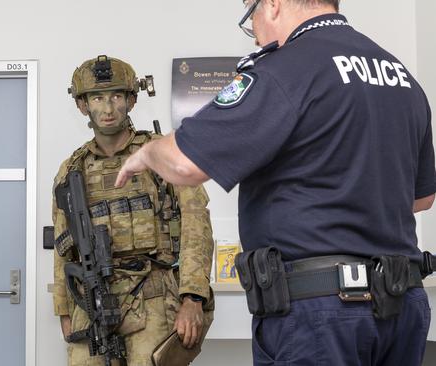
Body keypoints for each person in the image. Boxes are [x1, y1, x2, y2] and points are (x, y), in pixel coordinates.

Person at [116, 0, 434, 365]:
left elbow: (184, 164)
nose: (255, 37)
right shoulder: (401, 77)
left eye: (251, 18)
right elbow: (422, 198)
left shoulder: (286, 68)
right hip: (402, 303)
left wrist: (147, 152)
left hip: (321, 313)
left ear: (273, 4)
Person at [52, 55, 214, 366]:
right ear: (82, 106)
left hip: (153, 297)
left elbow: (197, 225)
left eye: (116, 96)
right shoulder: (71, 170)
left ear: (131, 100)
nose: (108, 108)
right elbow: (63, 246)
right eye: (98, 97)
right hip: (93, 301)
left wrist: (193, 297)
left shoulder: (162, 153)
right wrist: (64, 310)